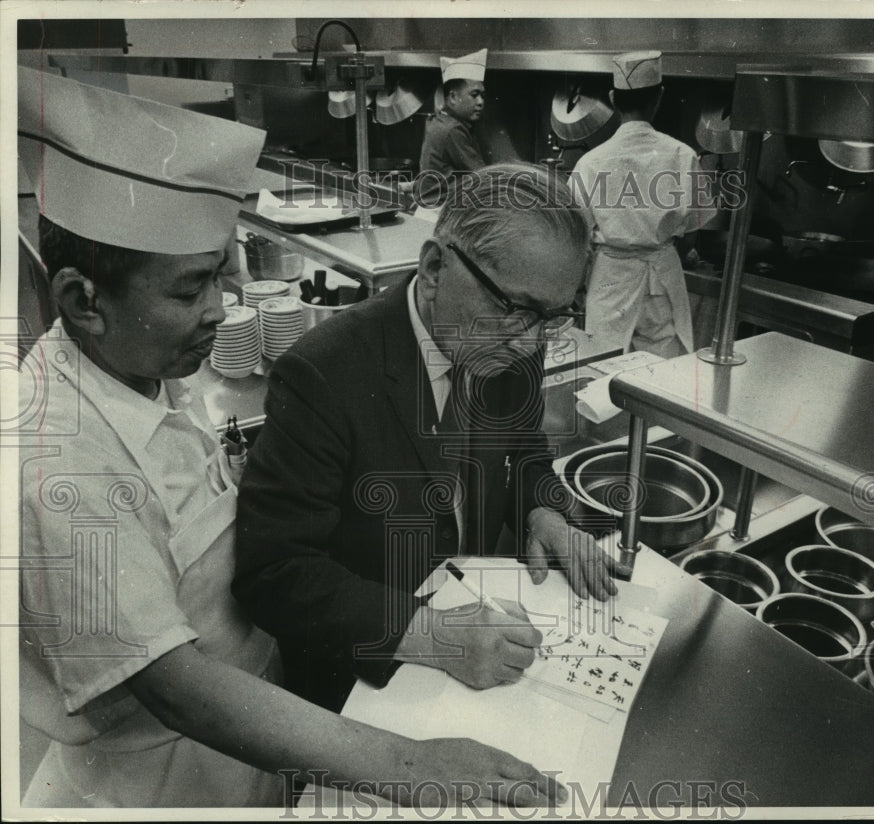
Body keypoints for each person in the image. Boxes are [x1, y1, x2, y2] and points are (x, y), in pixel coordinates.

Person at [15, 66, 565, 810]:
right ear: (83, 301)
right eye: (191, 289)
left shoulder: (140, 365)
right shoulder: (58, 461)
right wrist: (411, 766)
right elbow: (178, 689)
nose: (220, 310)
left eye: (222, 277)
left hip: (261, 743)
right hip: (157, 784)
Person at [233, 163, 630, 714]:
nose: (532, 341)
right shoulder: (324, 374)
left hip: (481, 630)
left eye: (555, 316)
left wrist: (544, 512)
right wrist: (435, 634)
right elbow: (273, 574)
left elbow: (527, 451)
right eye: (516, 311)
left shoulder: (518, 333)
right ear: (436, 266)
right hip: (368, 680)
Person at [571, 50, 716, 359]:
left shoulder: (590, 162)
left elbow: (576, 237)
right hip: (662, 276)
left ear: (612, 98)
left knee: (605, 371)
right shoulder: (683, 155)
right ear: (659, 98)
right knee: (661, 376)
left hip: (611, 277)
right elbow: (693, 229)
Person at [415, 48, 489, 207]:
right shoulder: (453, 130)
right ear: (453, 97)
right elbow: (482, 177)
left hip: (432, 208)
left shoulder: (440, 120)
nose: (480, 102)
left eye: (483, 96)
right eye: (474, 95)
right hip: (440, 212)